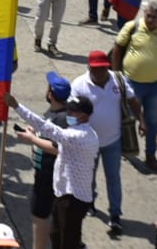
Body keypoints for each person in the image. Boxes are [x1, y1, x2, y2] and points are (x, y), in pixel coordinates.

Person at [7, 92, 99, 249]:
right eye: (68, 110)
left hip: (72, 199)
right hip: (65, 195)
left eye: (72, 112)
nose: (68, 114)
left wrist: (16, 106)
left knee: (67, 241)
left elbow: (46, 128)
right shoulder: (82, 131)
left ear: (84, 116)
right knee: (56, 235)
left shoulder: (77, 136)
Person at [71, 50, 144, 236]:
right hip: (89, 143)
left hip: (113, 140)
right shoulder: (79, 85)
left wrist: (142, 121)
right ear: (89, 67)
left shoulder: (118, 80)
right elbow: (71, 112)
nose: (100, 72)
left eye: (103, 68)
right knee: (89, 176)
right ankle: (90, 203)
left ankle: (115, 215)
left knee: (114, 178)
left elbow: (134, 101)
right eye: (96, 69)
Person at [113, 0, 157, 170]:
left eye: (154, 17)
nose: (150, 20)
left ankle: (150, 155)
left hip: (155, 85)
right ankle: (127, 147)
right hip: (131, 83)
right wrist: (116, 75)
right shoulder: (132, 27)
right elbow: (117, 48)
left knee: (151, 122)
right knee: (128, 118)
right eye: (148, 16)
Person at [23, 72, 71, 249]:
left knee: (40, 216)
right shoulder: (54, 112)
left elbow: (58, 148)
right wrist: (35, 130)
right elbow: (46, 129)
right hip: (44, 174)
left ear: (51, 94)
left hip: (50, 176)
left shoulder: (63, 119)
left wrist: (32, 139)